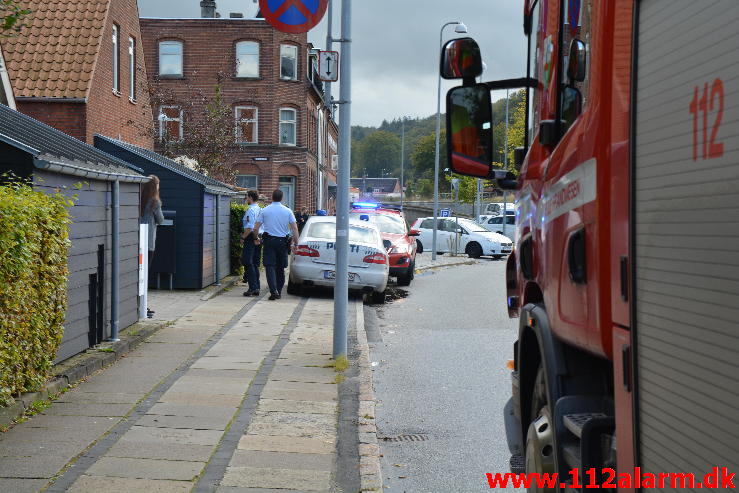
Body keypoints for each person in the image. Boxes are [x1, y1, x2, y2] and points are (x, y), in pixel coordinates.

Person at [253, 189, 299, 300]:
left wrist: (256, 238)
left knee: (269, 266)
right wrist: (296, 243)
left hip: (269, 241)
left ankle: (273, 290)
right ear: (282, 198)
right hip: (283, 242)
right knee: (280, 267)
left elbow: (256, 227)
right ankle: (278, 289)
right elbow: (294, 228)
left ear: (272, 197)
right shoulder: (288, 211)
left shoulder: (265, 210)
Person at [140, 175, 164, 318]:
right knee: (145, 275)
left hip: (136, 242)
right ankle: (144, 306)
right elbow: (160, 220)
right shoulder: (154, 202)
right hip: (148, 243)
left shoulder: (138, 199)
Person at [241, 190, 262, 297]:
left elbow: (250, 227)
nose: (246, 199)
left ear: (250, 197)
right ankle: (257, 287)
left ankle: (252, 288)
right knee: (255, 263)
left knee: (247, 262)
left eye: (247, 197)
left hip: (251, 237)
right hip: (259, 237)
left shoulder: (250, 210)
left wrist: (243, 237)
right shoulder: (260, 209)